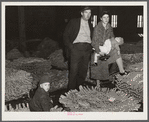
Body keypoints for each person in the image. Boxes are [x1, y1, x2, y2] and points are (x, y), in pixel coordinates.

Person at [91, 10, 129, 89]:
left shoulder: (110, 27)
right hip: (98, 48)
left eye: (107, 17)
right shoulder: (97, 28)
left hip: (107, 47)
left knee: (116, 52)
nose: (106, 19)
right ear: (101, 18)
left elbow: (112, 38)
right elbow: (94, 42)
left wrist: (116, 45)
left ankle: (122, 71)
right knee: (98, 61)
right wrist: (99, 51)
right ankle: (98, 84)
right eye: (104, 17)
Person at [63, 6, 93, 91]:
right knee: (74, 71)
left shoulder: (90, 24)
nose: (88, 15)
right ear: (82, 13)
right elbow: (65, 36)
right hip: (76, 48)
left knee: (83, 71)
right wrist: (71, 47)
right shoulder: (74, 22)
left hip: (87, 49)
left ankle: (79, 89)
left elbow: (92, 38)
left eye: (90, 13)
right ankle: (71, 92)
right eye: (86, 12)